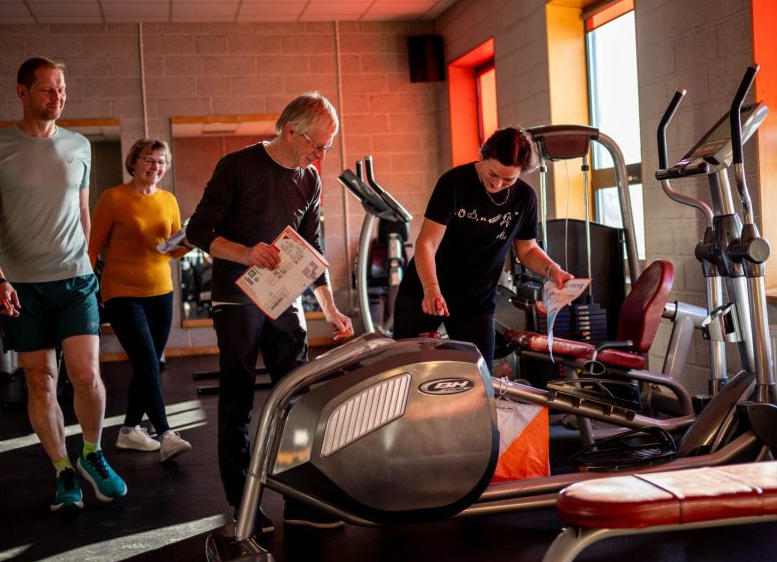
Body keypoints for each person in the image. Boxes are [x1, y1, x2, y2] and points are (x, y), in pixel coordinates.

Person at [186, 91, 353, 530]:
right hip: (237, 294)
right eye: (317, 145)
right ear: (290, 131)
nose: (321, 156)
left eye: (327, 148)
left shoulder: (309, 179)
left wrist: (330, 309)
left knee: (297, 396)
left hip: (284, 295)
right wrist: (244, 253)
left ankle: (299, 501)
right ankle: (244, 505)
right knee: (238, 397)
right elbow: (198, 230)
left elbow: (312, 247)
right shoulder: (237, 167)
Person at [0, 56, 127, 512]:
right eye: (47, 89)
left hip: (75, 280)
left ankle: (91, 453)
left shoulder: (79, 145)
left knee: (87, 375)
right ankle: (62, 469)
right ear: (22, 92)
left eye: (62, 89)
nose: (58, 97)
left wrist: (90, 266)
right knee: (40, 382)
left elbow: (82, 212)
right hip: (22, 286)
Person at [392, 126, 572, 369]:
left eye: (508, 179)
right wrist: (431, 288)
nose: (497, 184)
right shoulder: (454, 183)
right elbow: (427, 243)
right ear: (484, 157)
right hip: (424, 291)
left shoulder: (525, 198)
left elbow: (527, 250)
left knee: (478, 376)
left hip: (476, 302)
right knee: (406, 370)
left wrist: (553, 270)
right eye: (493, 173)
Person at [87, 138, 192, 463]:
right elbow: (92, 247)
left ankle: (129, 429)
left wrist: (190, 242)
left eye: (161, 162)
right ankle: (166, 434)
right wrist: (84, 290)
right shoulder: (113, 198)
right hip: (121, 292)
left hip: (161, 292)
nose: (155, 167)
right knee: (148, 363)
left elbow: (172, 250)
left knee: (147, 364)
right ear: (133, 161)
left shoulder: (168, 199)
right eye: (149, 159)